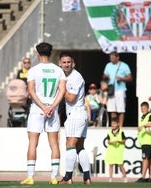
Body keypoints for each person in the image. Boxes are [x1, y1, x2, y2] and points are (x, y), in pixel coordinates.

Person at [20, 42, 66, 185]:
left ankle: (30, 177)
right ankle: (53, 177)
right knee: (54, 144)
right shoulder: (58, 70)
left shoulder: (33, 70)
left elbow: (31, 91)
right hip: (52, 110)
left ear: (37, 54)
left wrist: (43, 107)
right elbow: (62, 91)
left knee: (33, 143)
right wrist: (51, 106)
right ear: (51, 53)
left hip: (37, 110)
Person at [58, 52, 92, 185]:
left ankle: (68, 177)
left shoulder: (75, 77)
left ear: (73, 64)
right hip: (79, 114)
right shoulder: (66, 76)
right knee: (79, 147)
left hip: (76, 113)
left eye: (68, 62)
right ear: (60, 63)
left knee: (70, 144)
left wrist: (61, 89)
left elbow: (71, 98)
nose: (66, 64)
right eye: (64, 62)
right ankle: (87, 177)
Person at [103, 51, 132, 127]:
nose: (111, 60)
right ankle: (114, 126)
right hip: (111, 90)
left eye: (113, 58)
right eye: (110, 58)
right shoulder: (108, 65)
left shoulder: (124, 66)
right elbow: (104, 76)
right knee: (112, 109)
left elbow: (130, 78)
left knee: (121, 109)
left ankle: (121, 126)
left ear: (117, 57)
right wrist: (105, 77)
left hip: (120, 90)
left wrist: (122, 79)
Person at [136, 101, 151, 183]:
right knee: (149, 159)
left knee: (145, 159)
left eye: (144, 108)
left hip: (148, 141)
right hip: (146, 141)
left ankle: (143, 177)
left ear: (147, 108)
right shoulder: (143, 117)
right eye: (142, 108)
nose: (143, 110)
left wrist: (144, 125)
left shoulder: (150, 115)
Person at [104, 117, 127, 183]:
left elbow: (124, 141)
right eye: (112, 124)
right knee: (111, 165)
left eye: (114, 124)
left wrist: (118, 141)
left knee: (120, 165)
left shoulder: (121, 132)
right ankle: (110, 178)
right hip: (111, 151)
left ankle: (125, 177)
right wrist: (112, 142)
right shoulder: (109, 132)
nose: (113, 125)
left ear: (118, 124)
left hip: (119, 151)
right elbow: (108, 141)